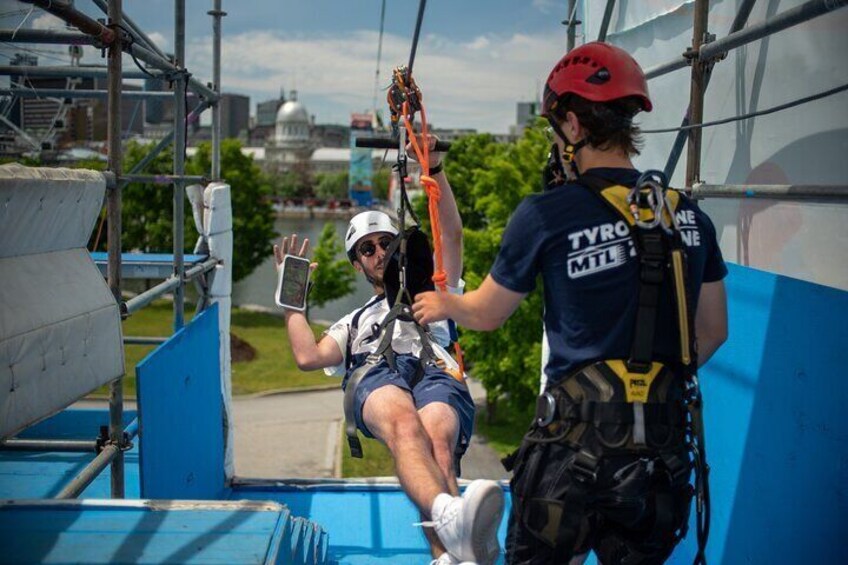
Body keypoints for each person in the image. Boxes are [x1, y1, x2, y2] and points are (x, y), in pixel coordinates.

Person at [413, 42, 728, 564]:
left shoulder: (547, 213)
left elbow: (489, 313)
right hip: (660, 459)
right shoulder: (689, 216)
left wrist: (445, 303)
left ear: (574, 126)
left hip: (572, 456)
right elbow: (712, 331)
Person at [275, 137, 504, 565]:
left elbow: (451, 234)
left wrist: (434, 169)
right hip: (376, 373)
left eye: (386, 243)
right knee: (404, 423)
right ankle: (453, 528)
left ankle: (451, 557)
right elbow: (308, 357)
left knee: (437, 441)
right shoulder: (354, 322)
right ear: (357, 263)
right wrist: (293, 301)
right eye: (368, 249)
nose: (380, 253)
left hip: (434, 369)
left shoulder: (434, 292)